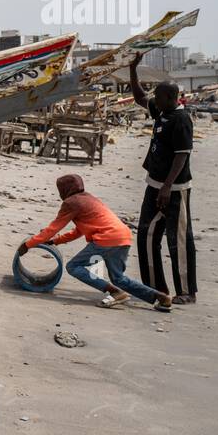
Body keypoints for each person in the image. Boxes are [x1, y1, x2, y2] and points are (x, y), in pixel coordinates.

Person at [17, 174, 172, 312]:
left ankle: (114, 292)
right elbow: (78, 231)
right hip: (123, 236)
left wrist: (28, 244)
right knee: (119, 278)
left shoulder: (71, 202)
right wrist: (57, 241)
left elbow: (52, 228)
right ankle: (161, 298)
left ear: (64, 189)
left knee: (73, 267)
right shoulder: (89, 198)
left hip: (106, 239)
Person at [129, 55, 197, 304]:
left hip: (175, 190)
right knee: (146, 235)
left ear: (171, 98)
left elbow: (182, 155)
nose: (153, 100)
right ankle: (155, 288)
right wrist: (132, 70)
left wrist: (168, 187)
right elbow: (139, 98)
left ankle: (187, 292)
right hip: (154, 185)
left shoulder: (181, 120)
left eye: (158, 97)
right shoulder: (162, 111)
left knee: (178, 240)